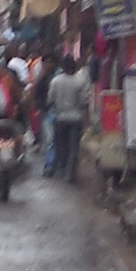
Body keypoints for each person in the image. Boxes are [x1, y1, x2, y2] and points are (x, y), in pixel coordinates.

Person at [45, 54, 93, 183]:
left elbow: (50, 100)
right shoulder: (79, 81)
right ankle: (70, 173)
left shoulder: (55, 81)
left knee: (61, 145)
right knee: (74, 147)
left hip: (60, 118)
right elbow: (84, 101)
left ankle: (63, 167)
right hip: (76, 119)